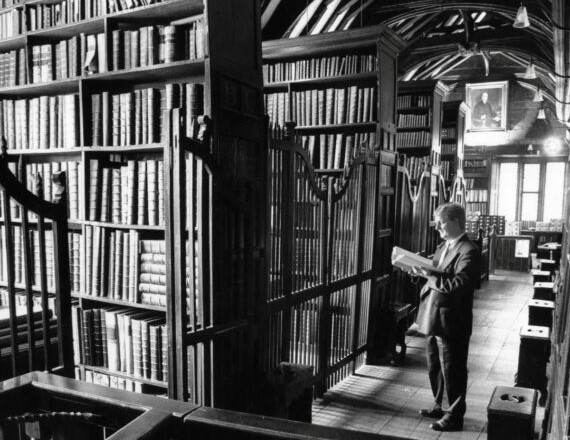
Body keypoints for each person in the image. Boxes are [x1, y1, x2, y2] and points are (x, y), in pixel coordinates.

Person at [411, 203, 480, 432]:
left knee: (453, 368)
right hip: (433, 314)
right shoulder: (443, 246)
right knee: (435, 365)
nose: (437, 226)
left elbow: (460, 284)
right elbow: (435, 273)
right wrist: (418, 271)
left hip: (452, 320)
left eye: (442, 222)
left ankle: (454, 416)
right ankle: (440, 405)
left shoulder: (469, 250)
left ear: (457, 222)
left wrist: (430, 276)